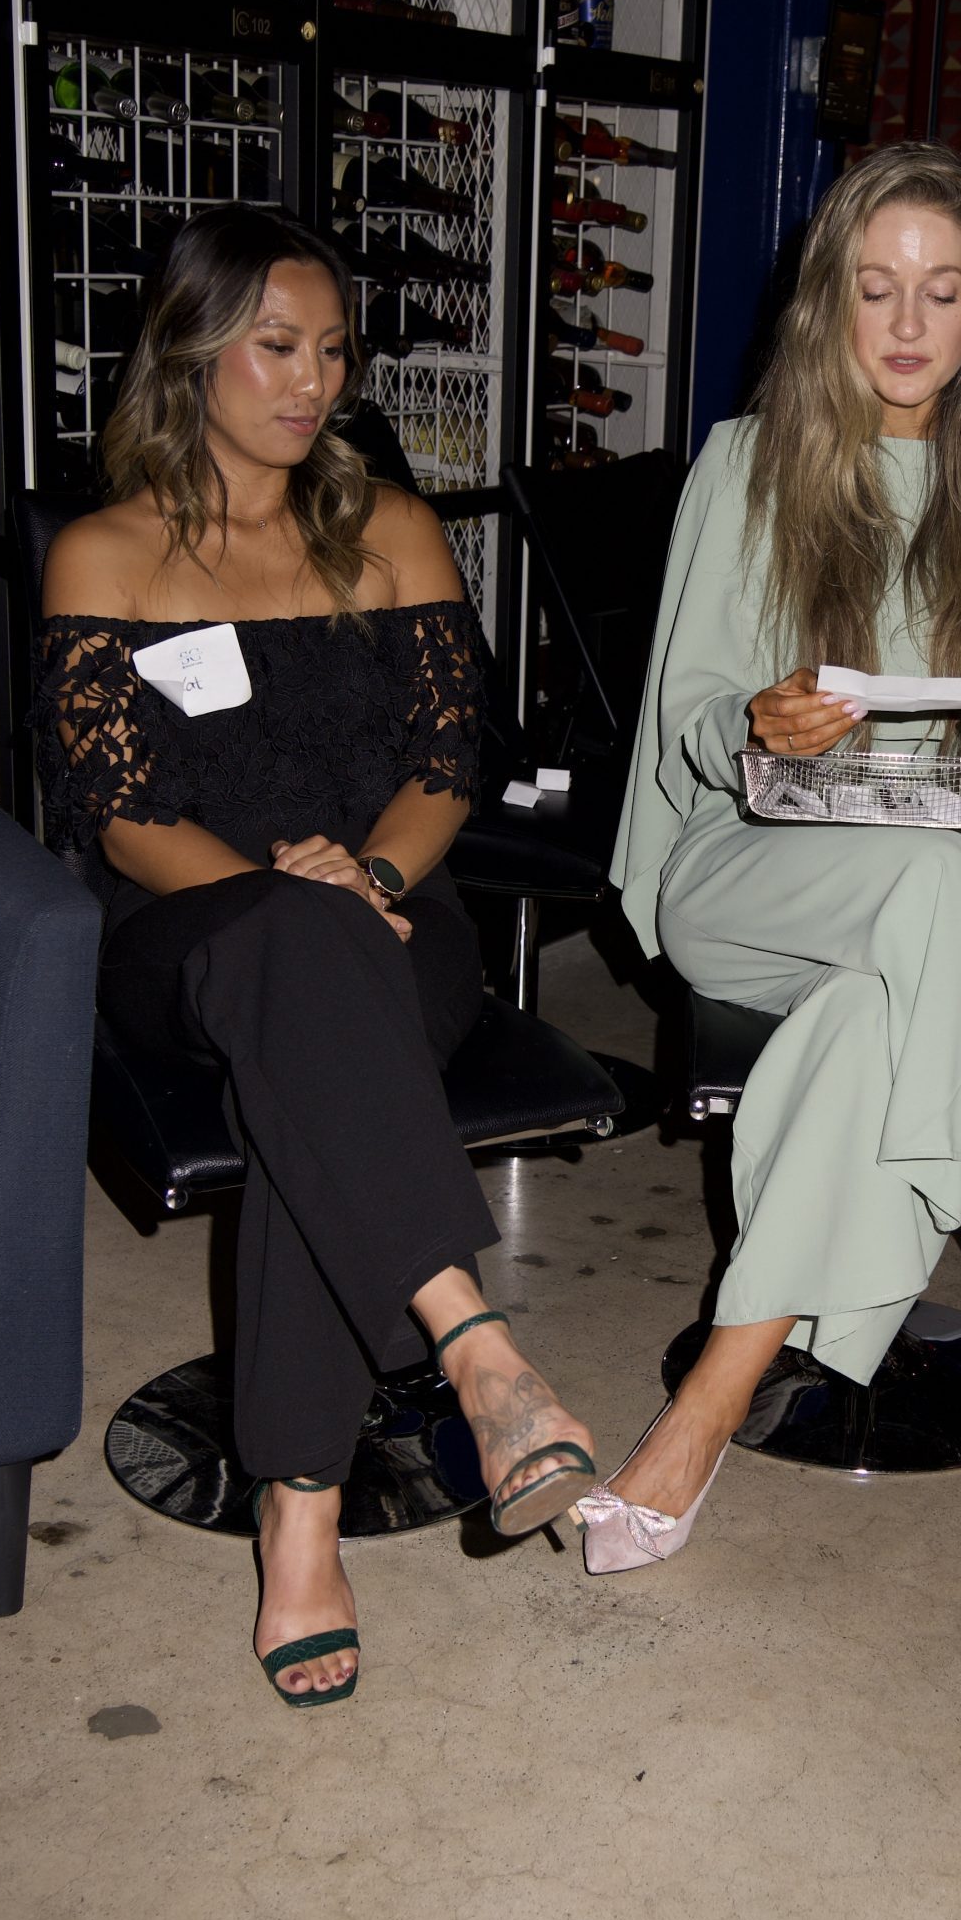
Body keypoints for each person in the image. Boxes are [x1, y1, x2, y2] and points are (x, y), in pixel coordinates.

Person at [581, 141, 961, 1575]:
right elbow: (684, 720)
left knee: (881, 1000)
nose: (909, 324)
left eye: (943, 290)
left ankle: (708, 1401)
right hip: (761, 867)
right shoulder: (743, 465)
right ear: (828, 303)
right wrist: (757, 719)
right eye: (876, 288)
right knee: (925, 890)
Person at [35, 206, 597, 1705]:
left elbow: (447, 762)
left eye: (333, 351)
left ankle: (302, 1520)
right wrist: (303, 908)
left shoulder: (391, 530)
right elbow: (122, 818)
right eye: (277, 346)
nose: (313, 381)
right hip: (190, 934)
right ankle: (477, 1349)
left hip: (399, 921)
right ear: (191, 350)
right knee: (299, 972)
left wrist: (378, 883)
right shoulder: (105, 552)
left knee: (314, 1064)